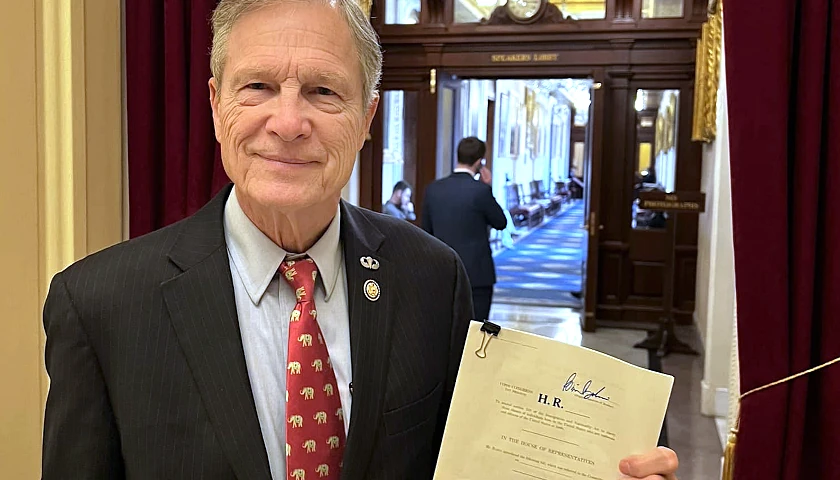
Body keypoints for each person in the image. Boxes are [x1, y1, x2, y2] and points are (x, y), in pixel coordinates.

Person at [40, 1, 679, 479]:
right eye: (258, 86)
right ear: (215, 104)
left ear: (367, 117)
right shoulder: (101, 306)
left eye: (324, 92)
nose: (288, 123)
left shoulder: (431, 278)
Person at [422, 137, 506, 322]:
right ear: (479, 162)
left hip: (442, 271)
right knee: (475, 330)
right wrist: (488, 188)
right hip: (477, 274)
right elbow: (500, 222)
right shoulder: (480, 191)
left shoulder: (433, 189)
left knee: (444, 328)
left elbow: (426, 232)